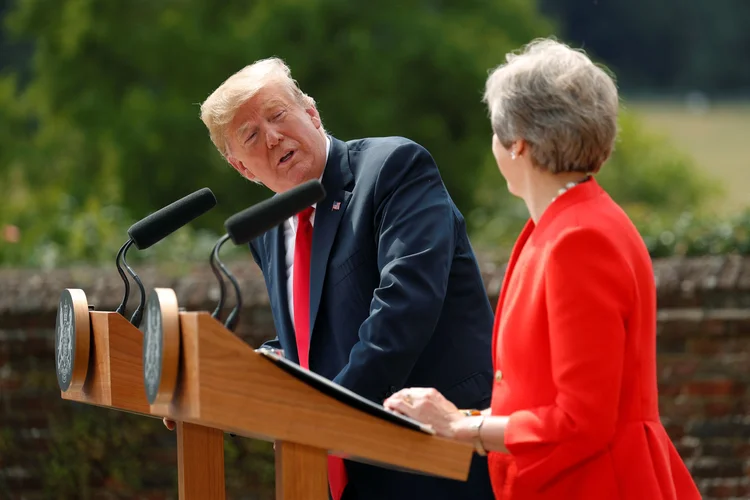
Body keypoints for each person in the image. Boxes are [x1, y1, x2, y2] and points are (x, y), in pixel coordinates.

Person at [384, 38, 702, 500]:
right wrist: (468, 421)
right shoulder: (568, 223)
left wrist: (461, 425)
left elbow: (582, 421)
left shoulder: (579, 238)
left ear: (518, 144)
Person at [177, 58, 496, 500]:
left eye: (278, 115)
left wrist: (320, 419)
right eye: (251, 136)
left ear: (312, 114)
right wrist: (234, 379)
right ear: (243, 168)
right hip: (340, 473)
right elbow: (313, 340)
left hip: (435, 462)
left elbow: (403, 309)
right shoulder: (267, 231)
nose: (272, 137)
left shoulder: (393, 169)